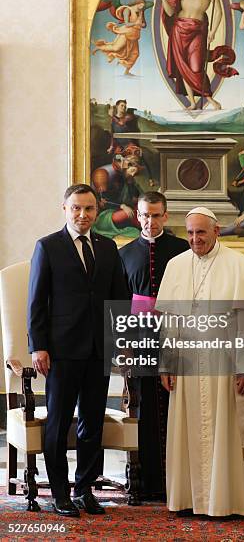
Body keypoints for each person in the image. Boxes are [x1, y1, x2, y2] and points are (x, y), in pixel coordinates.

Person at [156, 207, 244, 516]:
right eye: (190, 233)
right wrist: (166, 364)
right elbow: (169, 321)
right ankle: (192, 499)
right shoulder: (176, 265)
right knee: (190, 433)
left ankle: (235, 501)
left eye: (201, 232)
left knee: (230, 433)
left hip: (227, 363)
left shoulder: (240, 265)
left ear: (217, 231)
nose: (195, 239)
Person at [27, 184, 129, 517]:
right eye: (76, 209)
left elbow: (120, 301)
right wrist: (38, 346)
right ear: (65, 209)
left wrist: (121, 343)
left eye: (88, 209)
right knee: (57, 425)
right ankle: (60, 494)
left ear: (96, 211)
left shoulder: (108, 247)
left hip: (99, 350)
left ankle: (84, 489)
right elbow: (37, 303)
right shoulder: (48, 246)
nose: (82, 215)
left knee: (91, 424)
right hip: (61, 351)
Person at [119, 191, 189, 500]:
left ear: (166, 215)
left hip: (177, 334)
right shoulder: (125, 253)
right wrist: (123, 345)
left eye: (156, 215)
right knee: (145, 404)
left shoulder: (182, 249)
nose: (150, 221)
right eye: (145, 215)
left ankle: (180, 478)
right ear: (137, 215)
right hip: (141, 337)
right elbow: (120, 303)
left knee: (178, 403)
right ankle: (148, 479)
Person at [156, 0, 223, 110]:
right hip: (179, 28)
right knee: (183, 67)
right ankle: (193, 102)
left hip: (198, 28)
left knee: (195, 66)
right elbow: (171, 12)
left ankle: (209, 99)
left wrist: (213, 30)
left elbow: (218, 10)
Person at [92, 0, 148, 75]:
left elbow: (144, 24)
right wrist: (136, 24)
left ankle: (127, 71)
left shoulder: (140, 12)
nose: (142, 7)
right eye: (141, 5)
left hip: (134, 35)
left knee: (135, 53)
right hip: (126, 32)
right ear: (137, 3)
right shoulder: (127, 10)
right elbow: (127, 24)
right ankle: (99, 47)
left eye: (143, 6)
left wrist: (142, 24)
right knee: (116, 48)